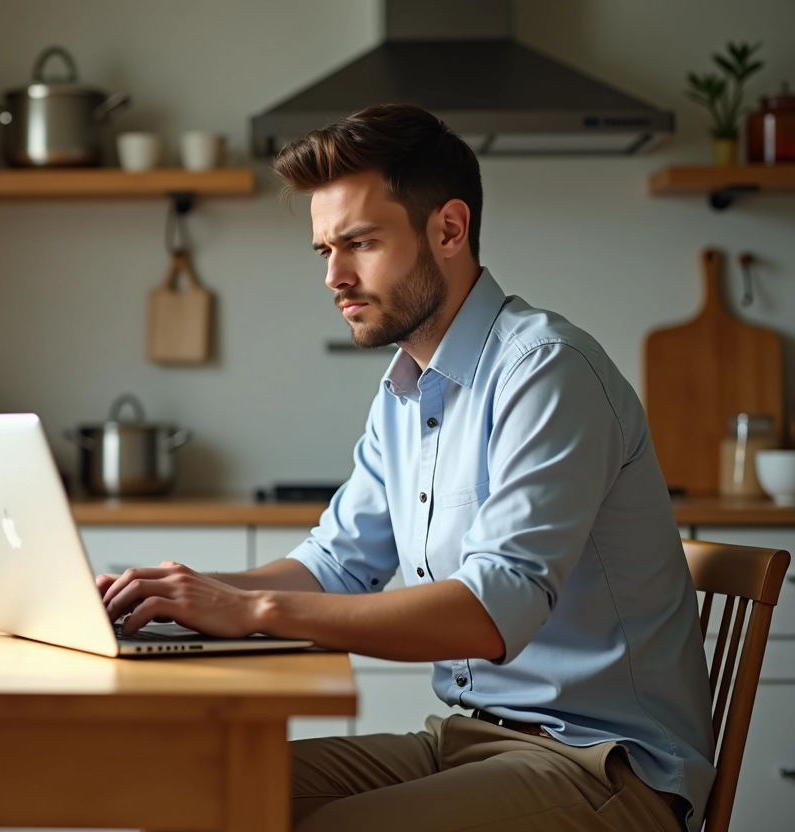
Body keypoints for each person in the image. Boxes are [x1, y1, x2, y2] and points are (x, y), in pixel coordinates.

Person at [96, 103, 714, 832]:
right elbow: (336, 565)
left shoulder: (546, 370)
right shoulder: (406, 393)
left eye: (359, 243)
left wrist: (254, 610)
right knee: (193, 793)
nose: (335, 276)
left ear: (448, 230)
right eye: (324, 251)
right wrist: (182, 595)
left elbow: (493, 610)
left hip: (603, 766)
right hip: (467, 740)